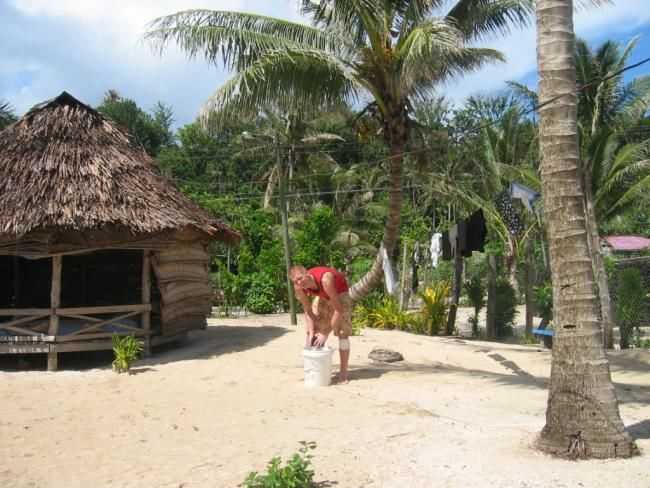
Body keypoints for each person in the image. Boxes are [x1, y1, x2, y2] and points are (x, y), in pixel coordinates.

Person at [289, 265, 352, 384]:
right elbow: (308, 309)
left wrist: (325, 333)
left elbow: (338, 310)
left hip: (339, 293)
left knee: (343, 333)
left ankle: (343, 373)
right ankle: (310, 370)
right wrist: (312, 330)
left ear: (307, 273)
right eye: (295, 281)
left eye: (300, 278)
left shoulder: (325, 280)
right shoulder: (298, 287)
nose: (299, 282)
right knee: (310, 332)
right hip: (323, 296)